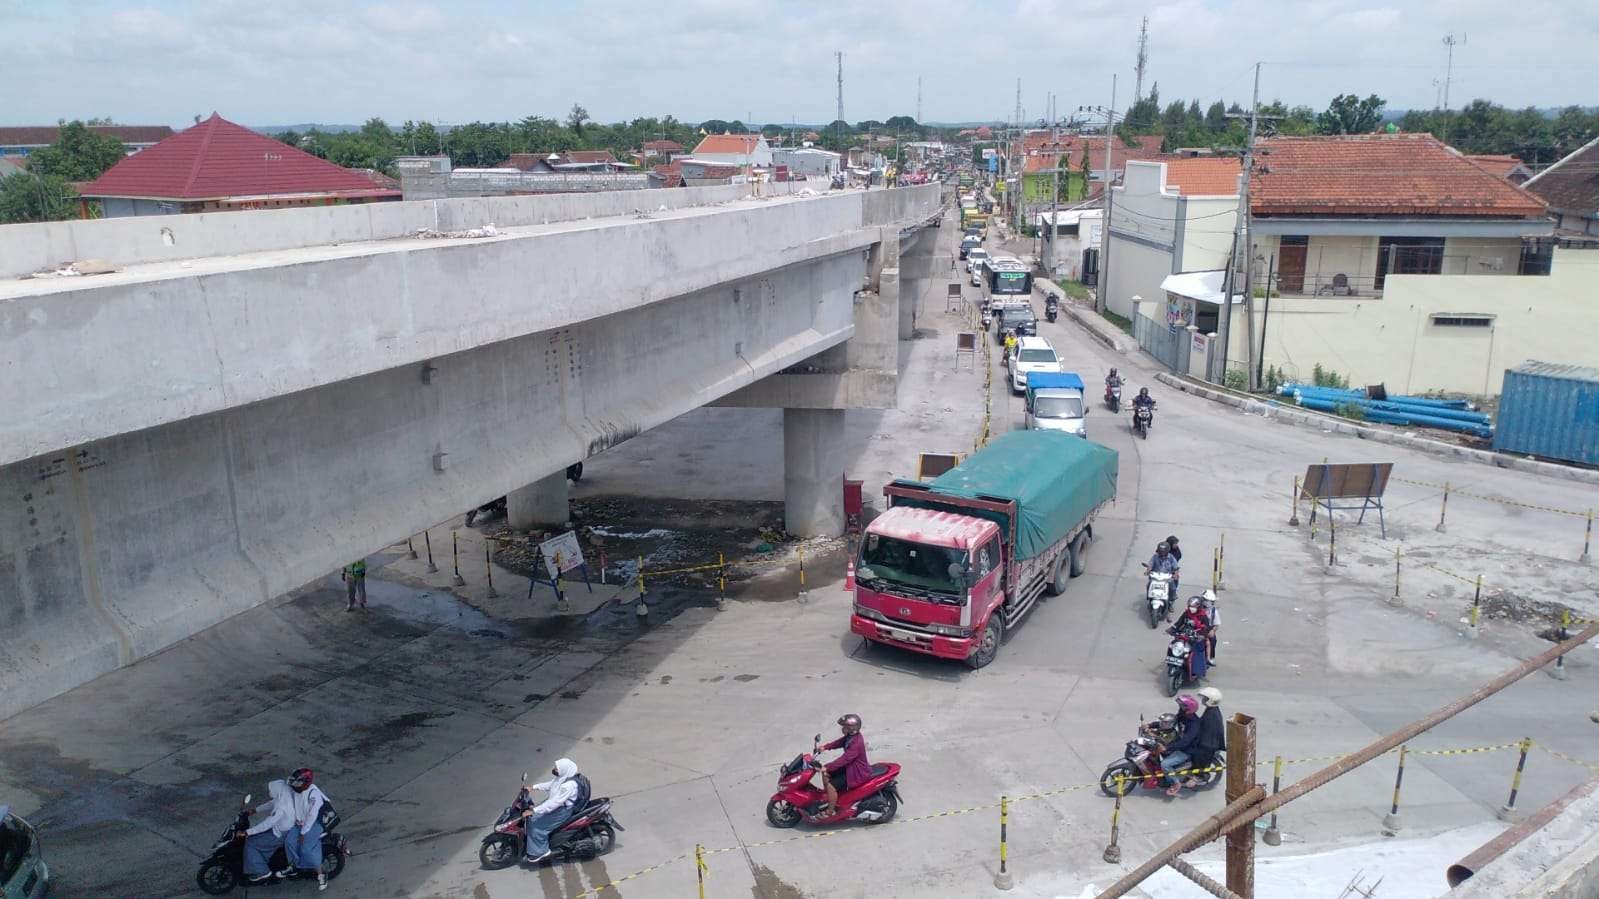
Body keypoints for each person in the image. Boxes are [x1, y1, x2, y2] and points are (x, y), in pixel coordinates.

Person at [521, 758, 580, 864]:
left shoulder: (569, 785)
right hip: (556, 806)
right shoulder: (563, 777)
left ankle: (541, 852)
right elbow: (551, 784)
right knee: (532, 817)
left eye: (556, 768)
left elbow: (554, 803)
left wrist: (534, 810)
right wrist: (533, 787)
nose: (554, 769)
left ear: (563, 769)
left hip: (561, 811)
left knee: (536, 826)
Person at [239, 779, 296, 883]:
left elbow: (267, 824)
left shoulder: (281, 807)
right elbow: (271, 803)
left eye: (271, 790)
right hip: (280, 828)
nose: (269, 792)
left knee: (251, 843)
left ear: (276, 790)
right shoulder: (283, 795)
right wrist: (254, 810)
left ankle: (262, 871)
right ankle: (260, 861)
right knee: (256, 836)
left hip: (279, 834)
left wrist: (247, 832)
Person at [286, 768, 331, 890]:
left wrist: (303, 833)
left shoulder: (313, 794)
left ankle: (321, 873)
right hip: (301, 822)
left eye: (298, 783)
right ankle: (294, 865)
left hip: (314, 823)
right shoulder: (297, 790)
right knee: (289, 841)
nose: (295, 785)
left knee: (306, 848)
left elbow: (312, 815)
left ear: (306, 783)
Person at [819, 714, 870, 817]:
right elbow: (840, 742)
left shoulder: (857, 742)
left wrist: (828, 767)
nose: (843, 728)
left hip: (856, 772)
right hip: (850, 767)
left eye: (845, 726)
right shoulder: (851, 737)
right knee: (825, 772)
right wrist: (825, 747)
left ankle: (830, 811)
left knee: (831, 785)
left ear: (852, 727)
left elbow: (845, 759)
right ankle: (832, 798)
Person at [1160, 695, 1201, 797]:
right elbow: (1170, 722)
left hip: (1187, 750)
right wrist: (1151, 725)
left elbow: (1185, 742)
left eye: (1183, 706)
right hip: (1179, 743)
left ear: (1188, 709)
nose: (1180, 708)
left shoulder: (1194, 724)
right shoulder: (1183, 715)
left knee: (1165, 764)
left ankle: (1175, 783)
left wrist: (1167, 747)